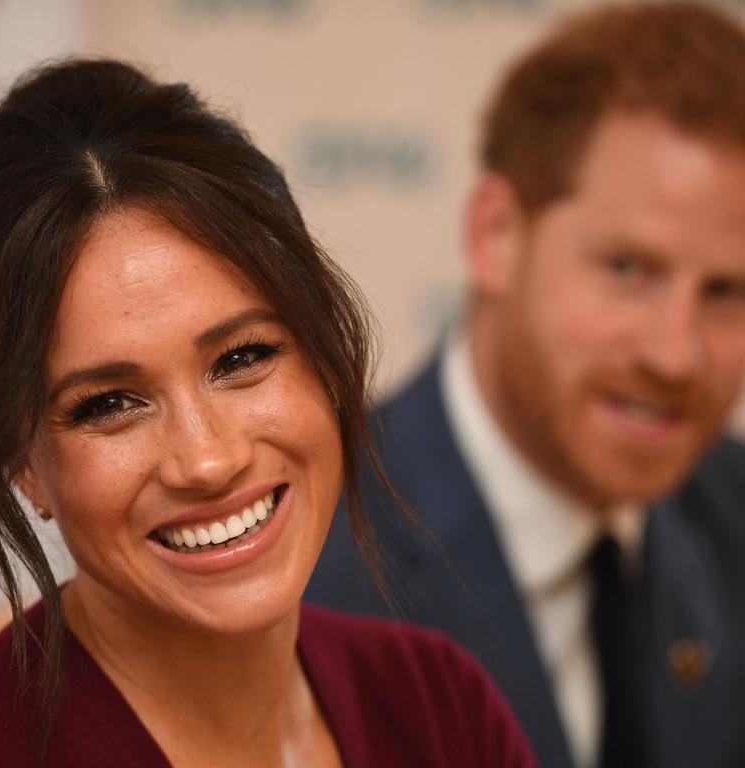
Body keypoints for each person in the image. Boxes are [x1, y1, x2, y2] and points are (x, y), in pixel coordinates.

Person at [0, 59, 535, 767]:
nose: (208, 459)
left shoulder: (441, 704)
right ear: (21, 462)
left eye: (241, 358)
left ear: (325, 354)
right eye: (109, 405)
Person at [308, 4, 745, 768]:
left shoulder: (733, 514)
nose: (676, 355)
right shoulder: (309, 557)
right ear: (496, 237)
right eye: (627, 270)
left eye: (725, 292)